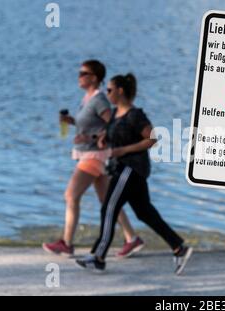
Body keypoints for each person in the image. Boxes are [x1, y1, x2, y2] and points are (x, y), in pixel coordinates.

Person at [76, 73, 192, 275]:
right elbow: (112, 134)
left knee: (109, 209)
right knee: (144, 212)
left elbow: (153, 138)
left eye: (110, 90)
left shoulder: (135, 115)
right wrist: (100, 138)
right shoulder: (114, 114)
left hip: (131, 168)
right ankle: (179, 247)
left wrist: (124, 150)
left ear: (120, 91)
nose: (107, 93)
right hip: (124, 169)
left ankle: (98, 257)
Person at [43, 60, 144, 258]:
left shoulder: (99, 100)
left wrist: (90, 138)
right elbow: (92, 125)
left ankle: (67, 243)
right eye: (79, 72)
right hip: (92, 155)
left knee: (71, 196)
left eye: (84, 73)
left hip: (94, 156)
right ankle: (132, 239)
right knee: (107, 201)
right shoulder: (87, 98)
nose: (79, 76)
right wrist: (72, 122)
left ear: (95, 78)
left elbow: (114, 125)